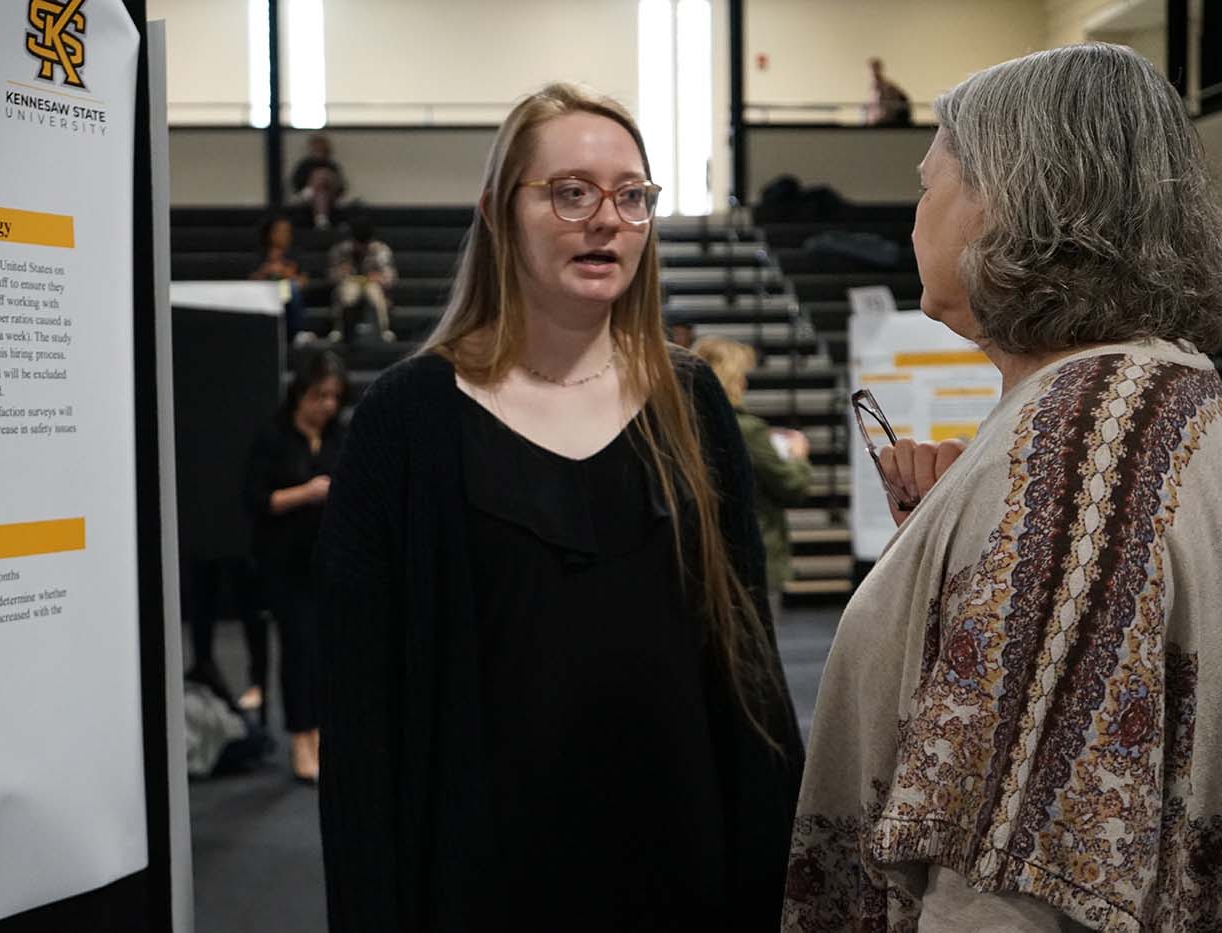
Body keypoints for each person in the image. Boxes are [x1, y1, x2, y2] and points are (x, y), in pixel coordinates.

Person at [316, 82, 804, 933]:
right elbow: (363, 719)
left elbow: (747, 667)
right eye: (571, 192)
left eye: (631, 195)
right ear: (500, 212)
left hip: (682, 869)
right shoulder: (409, 419)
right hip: (485, 882)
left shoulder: (690, 402)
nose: (606, 219)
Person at [784, 44, 1222, 931]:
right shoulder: (1150, 399)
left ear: (1009, 203)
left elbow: (1018, 883)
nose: (915, 217)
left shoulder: (1080, 456)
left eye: (927, 185)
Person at [243, 350, 346, 783]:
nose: (326, 405)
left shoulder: (341, 435)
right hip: (285, 564)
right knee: (299, 653)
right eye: (318, 396)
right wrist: (305, 492)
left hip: (331, 563)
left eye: (333, 397)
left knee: (328, 654)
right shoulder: (273, 438)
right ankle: (301, 739)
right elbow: (256, 501)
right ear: (298, 395)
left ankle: (323, 734)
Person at [692, 337, 811, 621]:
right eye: (742, 375)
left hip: (700, 557)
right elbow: (792, 487)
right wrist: (798, 456)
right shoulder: (746, 430)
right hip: (749, 557)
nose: (745, 383)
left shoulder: (682, 422)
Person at [326, 218, 397, 343]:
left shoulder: (380, 250)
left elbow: (391, 277)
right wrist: (341, 273)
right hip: (348, 284)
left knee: (374, 293)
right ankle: (339, 329)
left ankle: (384, 330)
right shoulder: (340, 250)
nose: (361, 248)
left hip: (372, 284)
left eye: (365, 244)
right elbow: (330, 276)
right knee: (348, 293)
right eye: (358, 244)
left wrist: (379, 277)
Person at [249, 212, 309, 349]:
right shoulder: (261, 255)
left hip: (286, 295)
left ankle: (294, 333)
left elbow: (303, 281)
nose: (284, 235)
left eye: (287, 231)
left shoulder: (294, 255)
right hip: (264, 293)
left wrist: (286, 273)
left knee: (290, 289)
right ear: (270, 233)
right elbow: (251, 282)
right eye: (280, 231)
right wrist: (265, 271)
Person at [288, 133, 347, 230]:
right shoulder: (304, 165)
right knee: (319, 177)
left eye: (321, 148)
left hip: (329, 195)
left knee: (322, 181)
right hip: (306, 196)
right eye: (316, 148)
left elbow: (341, 186)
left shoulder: (331, 165)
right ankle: (320, 217)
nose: (319, 151)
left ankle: (321, 217)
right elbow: (296, 183)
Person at [866, 57, 911, 126]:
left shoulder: (890, 88)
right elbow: (871, 109)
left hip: (887, 124)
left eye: (875, 68)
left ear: (880, 69)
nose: (873, 72)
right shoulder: (873, 89)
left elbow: (891, 109)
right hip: (876, 124)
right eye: (871, 69)